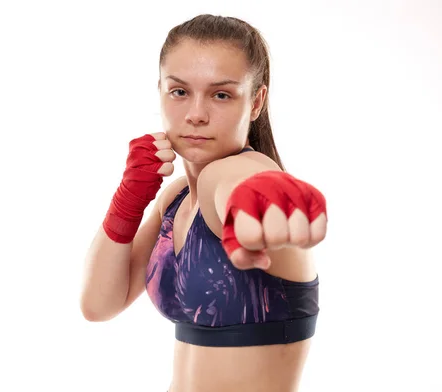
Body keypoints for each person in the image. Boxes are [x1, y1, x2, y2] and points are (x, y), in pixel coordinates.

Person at [80, 14, 328, 392]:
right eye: (179, 92)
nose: (196, 114)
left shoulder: (237, 173)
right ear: (160, 91)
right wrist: (128, 198)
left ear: (256, 101)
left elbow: (242, 186)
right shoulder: (176, 198)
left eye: (221, 94)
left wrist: (264, 201)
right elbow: (98, 305)